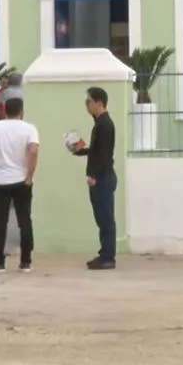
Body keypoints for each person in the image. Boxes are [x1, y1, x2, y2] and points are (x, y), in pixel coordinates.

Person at [0, 97, 37, 272]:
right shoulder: (29, 129)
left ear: (5, 111)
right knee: (24, 220)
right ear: (21, 111)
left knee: (0, 222)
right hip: (21, 180)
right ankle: (25, 260)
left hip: (0, 181)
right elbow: (33, 151)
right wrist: (29, 175)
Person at [69, 86, 117, 270]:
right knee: (102, 218)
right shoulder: (100, 123)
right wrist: (80, 151)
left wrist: (94, 176)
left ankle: (108, 257)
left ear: (98, 103)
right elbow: (96, 151)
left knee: (105, 218)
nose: (86, 106)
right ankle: (105, 252)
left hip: (103, 178)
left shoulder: (104, 125)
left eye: (88, 102)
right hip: (102, 177)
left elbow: (104, 155)